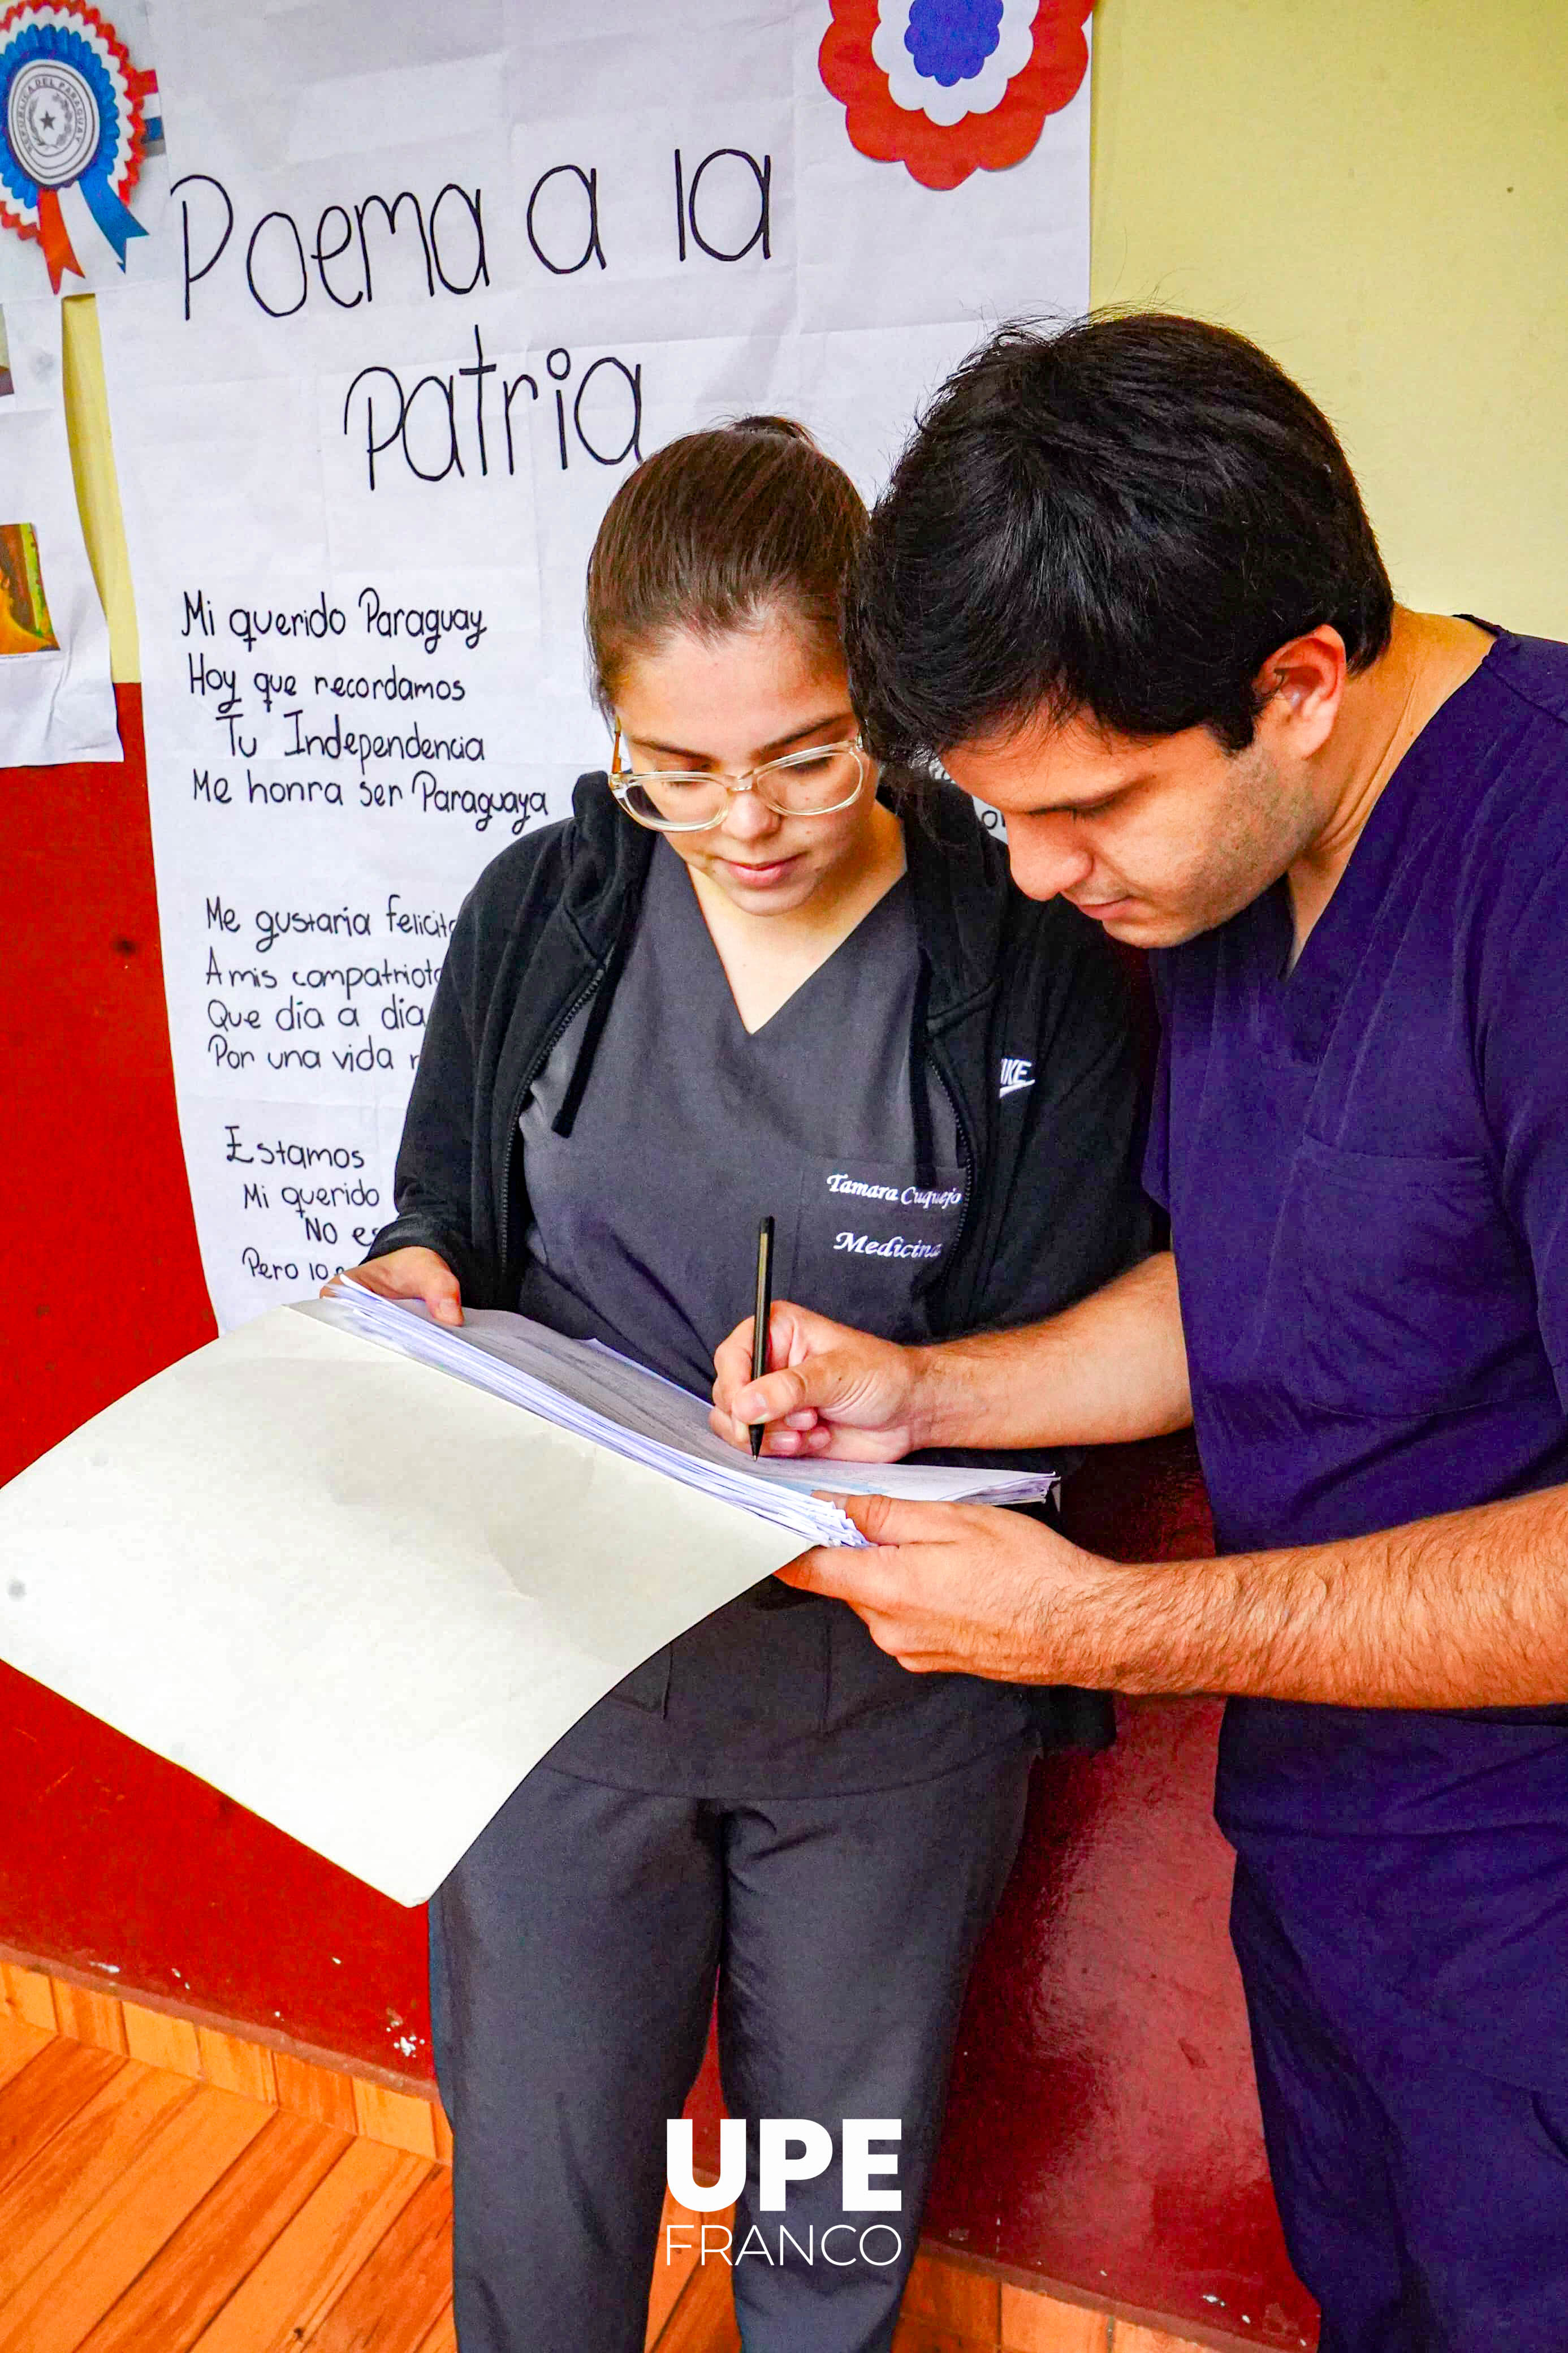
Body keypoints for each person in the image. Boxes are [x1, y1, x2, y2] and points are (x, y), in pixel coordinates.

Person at [711, 316, 1568, 2353]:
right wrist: (927, 1389)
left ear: (1300, 687)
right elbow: (1271, 1276)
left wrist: (1109, 1627)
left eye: (1089, 807)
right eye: (1001, 812)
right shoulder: (1221, 871)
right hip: (1338, 1847)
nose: (1037, 872)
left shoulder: (1536, 879)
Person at [348, 416, 1151, 2353]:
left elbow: (1083, 1350)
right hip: (564, 1682)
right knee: (547, 2198)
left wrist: (915, 1385)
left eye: (806, 751)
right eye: (677, 768)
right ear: (612, 728)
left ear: (885, 690)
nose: (750, 819)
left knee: (827, 2215)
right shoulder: (539, 915)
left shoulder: (1018, 957)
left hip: (885, 1707)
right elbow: (443, 1215)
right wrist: (410, 1283)